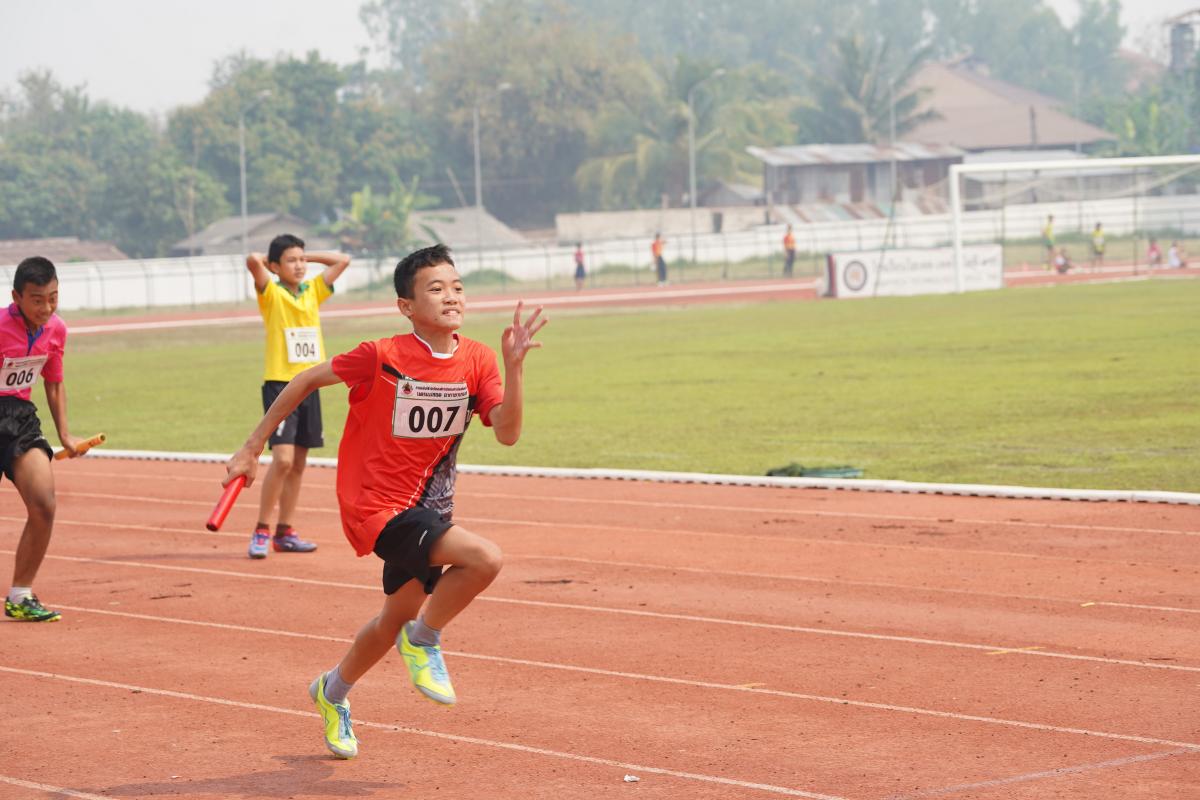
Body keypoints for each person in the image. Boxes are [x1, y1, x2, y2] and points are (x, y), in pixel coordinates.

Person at [224, 244, 546, 760]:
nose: (451, 297)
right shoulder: (381, 355)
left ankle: (332, 692)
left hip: (429, 508)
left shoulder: (478, 359)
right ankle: (425, 640)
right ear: (406, 306)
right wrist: (251, 447)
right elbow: (305, 378)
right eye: (436, 289)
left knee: (391, 621)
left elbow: (507, 433)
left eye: (457, 287)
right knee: (485, 559)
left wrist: (515, 367)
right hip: (374, 505)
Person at [245, 234, 351, 559]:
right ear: (275, 266)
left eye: (302, 260)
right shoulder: (271, 292)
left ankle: (285, 532)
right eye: (291, 261)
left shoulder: (313, 290)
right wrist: (273, 262)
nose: (300, 265)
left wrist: (304, 257)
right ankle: (261, 529)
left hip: (310, 385)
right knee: (283, 460)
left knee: (299, 464)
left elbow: (342, 260)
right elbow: (252, 260)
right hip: (281, 385)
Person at [2, 257, 86, 622]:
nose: (47, 308)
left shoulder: (56, 329)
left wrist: (65, 434)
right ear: (16, 297)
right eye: (37, 300)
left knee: (44, 504)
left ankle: (20, 595)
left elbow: (53, 383)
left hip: (19, 419)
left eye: (53, 298)